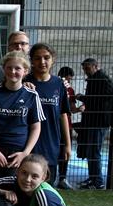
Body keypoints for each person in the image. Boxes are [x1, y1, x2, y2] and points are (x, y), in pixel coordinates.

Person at [0, 51, 44, 179]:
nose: (13, 71)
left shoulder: (31, 94)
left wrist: (25, 153)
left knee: (14, 190)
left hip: (18, 153)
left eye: (17, 68)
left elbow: (36, 127)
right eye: (9, 68)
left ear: (25, 71)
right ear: (3, 69)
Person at [26, 43, 71, 183]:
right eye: (37, 58)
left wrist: (68, 145)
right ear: (31, 61)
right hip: (27, 144)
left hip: (51, 144)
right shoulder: (23, 82)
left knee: (47, 187)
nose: (42, 62)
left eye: (46, 57)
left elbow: (63, 115)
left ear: (53, 59)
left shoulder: (59, 84)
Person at [75, 58, 113, 189]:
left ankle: (98, 181)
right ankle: (94, 179)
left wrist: (82, 98)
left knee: (94, 151)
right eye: (84, 68)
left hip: (98, 121)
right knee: (92, 151)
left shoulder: (102, 79)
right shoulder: (97, 79)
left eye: (87, 68)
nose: (85, 71)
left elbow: (100, 98)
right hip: (94, 120)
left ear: (96, 66)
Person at [57, 66, 83, 189]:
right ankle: (62, 178)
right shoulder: (69, 89)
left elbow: (71, 109)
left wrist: (78, 109)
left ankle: (57, 178)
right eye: (69, 79)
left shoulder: (54, 86)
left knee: (59, 151)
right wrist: (80, 109)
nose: (69, 81)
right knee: (63, 152)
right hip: (64, 124)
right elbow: (72, 109)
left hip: (57, 125)